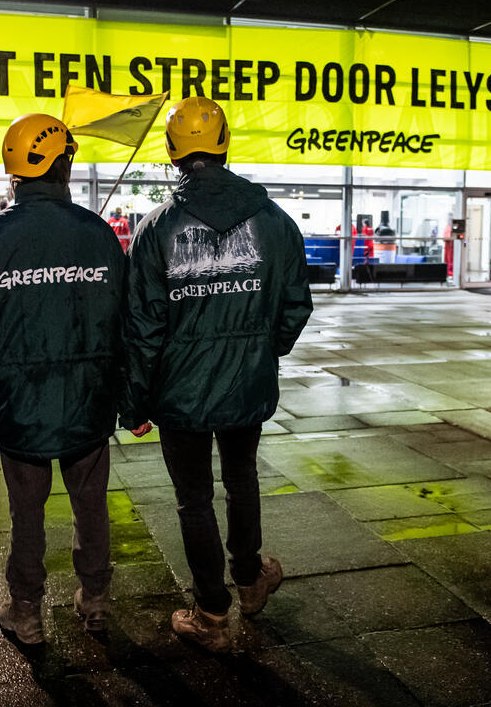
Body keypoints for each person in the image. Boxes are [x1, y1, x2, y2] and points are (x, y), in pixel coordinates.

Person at [125, 96, 313, 651]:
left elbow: (142, 327)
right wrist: (261, 350)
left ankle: (210, 613)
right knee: (241, 479)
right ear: (225, 143)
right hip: (246, 383)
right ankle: (251, 580)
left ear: (171, 150)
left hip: (178, 392)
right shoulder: (275, 221)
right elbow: (295, 305)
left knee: (193, 499)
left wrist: (135, 402)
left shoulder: (156, 228)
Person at [0, 114, 149, 646]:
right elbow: (123, 322)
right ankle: (96, 599)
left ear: (14, 172)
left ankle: (26, 610)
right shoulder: (101, 237)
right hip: (88, 402)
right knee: (91, 505)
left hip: (18, 405)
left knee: (26, 511)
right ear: (65, 165)